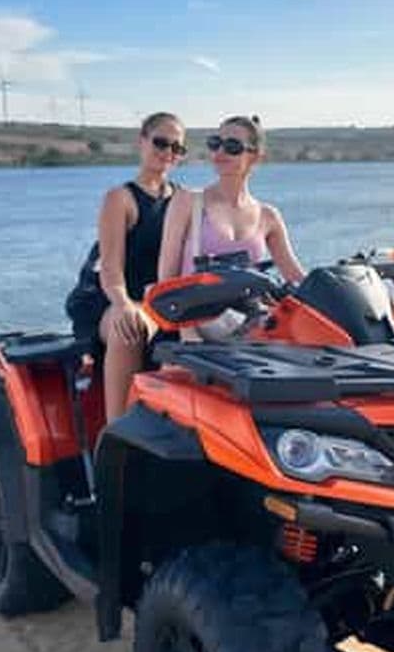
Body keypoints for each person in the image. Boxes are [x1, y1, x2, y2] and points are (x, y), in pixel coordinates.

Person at [66, 111, 187, 420]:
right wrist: (122, 304)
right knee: (128, 327)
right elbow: (110, 268)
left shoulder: (185, 200)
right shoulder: (120, 199)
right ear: (142, 142)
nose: (168, 152)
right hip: (115, 297)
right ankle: (117, 428)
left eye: (177, 147)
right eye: (161, 143)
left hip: (165, 304)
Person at [158, 115, 305, 291]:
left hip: (252, 308)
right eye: (215, 143)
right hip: (194, 308)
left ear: (255, 157)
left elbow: (298, 280)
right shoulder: (187, 202)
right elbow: (165, 285)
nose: (220, 151)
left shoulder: (268, 217)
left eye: (232, 147)